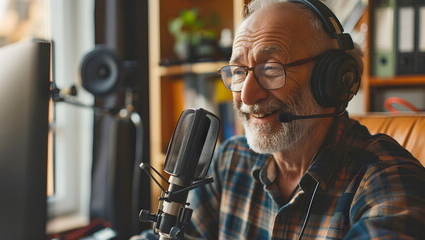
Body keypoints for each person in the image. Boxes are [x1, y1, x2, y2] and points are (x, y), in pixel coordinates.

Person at [135, 0, 425, 239]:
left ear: (333, 79)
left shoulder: (388, 181)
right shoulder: (231, 159)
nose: (247, 96)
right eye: (238, 71)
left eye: (271, 68)